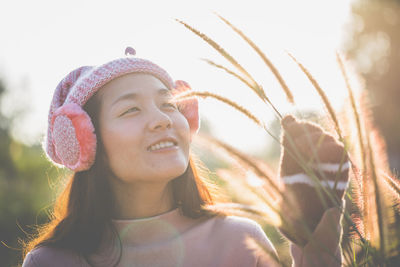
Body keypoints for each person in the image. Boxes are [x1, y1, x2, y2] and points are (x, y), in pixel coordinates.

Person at [21, 47, 349, 267]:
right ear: (85, 140)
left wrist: (316, 245)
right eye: (131, 109)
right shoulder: (51, 261)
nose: (163, 119)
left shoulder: (240, 241)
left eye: (169, 105)